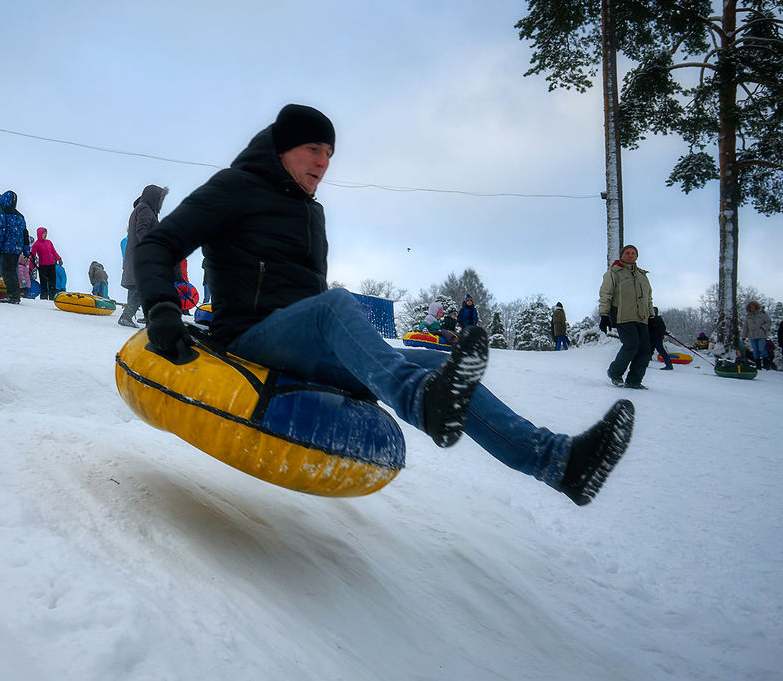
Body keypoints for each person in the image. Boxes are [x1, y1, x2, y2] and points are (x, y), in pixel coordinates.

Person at [133, 104, 635, 506]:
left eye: (329, 153)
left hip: (303, 346)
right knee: (337, 305)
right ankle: (419, 401)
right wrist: (160, 307)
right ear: (284, 149)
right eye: (313, 149)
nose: (323, 163)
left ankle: (559, 462)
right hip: (250, 336)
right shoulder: (234, 187)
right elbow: (159, 243)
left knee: (440, 362)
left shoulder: (310, 212)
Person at [598, 244, 653, 389]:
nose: (630, 255)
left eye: (633, 253)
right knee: (631, 345)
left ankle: (634, 381)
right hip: (623, 316)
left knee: (645, 350)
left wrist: (651, 316)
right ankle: (615, 373)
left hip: (641, 317)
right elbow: (605, 294)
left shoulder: (642, 275)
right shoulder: (614, 272)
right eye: (627, 253)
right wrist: (604, 315)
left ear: (637, 256)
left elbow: (648, 298)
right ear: (622, 255)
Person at [119, 184, 168, 327]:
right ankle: (146, 320)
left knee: (145, 288)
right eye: (160, 199)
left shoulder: (142, 209)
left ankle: (141, 319)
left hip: (140, 254)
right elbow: (142, 231)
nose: (161, 203)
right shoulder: (145, 209)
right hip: (143, 256)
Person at [0, 190, 29, 303]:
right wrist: (26, 250)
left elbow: (0, 231)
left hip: (7, 247)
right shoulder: (20, 216)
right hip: (17, 248)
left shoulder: (3, 214)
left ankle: (13, 296)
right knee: (13, 270)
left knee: (7, 271)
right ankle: (15, 294)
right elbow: (25, 233)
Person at [30, 226, 63, 299]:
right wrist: (31, 268)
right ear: (39, 234)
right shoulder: (36, 244)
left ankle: (52, 298)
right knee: (44, 283)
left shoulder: (49, 242)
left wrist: (59, 258)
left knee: (52, 282)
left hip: (51, 265)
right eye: (44, 233)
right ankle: (44, 298)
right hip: (43, 266)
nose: (45, 234)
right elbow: (32, 256)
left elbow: (54, 252)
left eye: (46, 233)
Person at [741, 300, 773, 369]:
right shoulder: (748, 316)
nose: (751, 308)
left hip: (762, 335)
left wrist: (763, 328)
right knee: (755, 351)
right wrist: (743, 337)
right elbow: (745, 327)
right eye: (750, 307)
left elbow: (769, 322)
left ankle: (766, 364)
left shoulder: (762, 314)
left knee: (761, 348)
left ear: (756, 307)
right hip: (752, 336)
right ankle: (758, 366)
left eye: (752, 307)